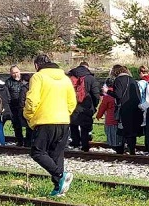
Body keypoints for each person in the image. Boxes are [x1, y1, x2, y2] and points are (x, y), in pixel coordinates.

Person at [23, 54, 77, 197]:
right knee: (57, 155)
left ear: (36, 65)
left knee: (37, 152)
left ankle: (61, 175)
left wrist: (29, 116)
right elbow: (72, 101)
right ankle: (58, 187)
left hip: (44, 120)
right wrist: (65, 114)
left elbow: (32, 100)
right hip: (63, 121)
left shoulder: (38, 77)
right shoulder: (65, 79)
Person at [110, 65, 143, 155]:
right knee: (132, 130)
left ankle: (122, 148)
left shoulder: (118, 80)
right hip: (136, 108)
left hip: (125, 108)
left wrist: (108, 92)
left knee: (123, 129)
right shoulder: (133, 80)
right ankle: (132, 149)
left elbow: (118, 95)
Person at [67, 61, 100, 152]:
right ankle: (85, 145)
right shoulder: (90, 78)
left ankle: (75, 143)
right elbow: (96, 94)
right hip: (86, 105)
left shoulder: (70, 77)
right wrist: (94, 105)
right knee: (85, 127)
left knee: (73, 124)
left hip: (72, 105)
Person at [96, 78, 124, 154]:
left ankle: (116, 148)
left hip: (111, 119)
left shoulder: (107, 96)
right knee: (119, 136)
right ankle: (121, 147)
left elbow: (102, 107)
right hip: (120, 119)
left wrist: (98, 115)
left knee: (112, 136)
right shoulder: (119, 92)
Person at [5, 65, 26, 146]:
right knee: (17, 125)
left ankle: (29, 141)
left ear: (19, 71)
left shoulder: (24, 80)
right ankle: (20, 141)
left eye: (17, 72)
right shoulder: (8, 82)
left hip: (25, 106)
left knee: (29, 125)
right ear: (10, 73)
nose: (15, 74)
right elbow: (7, 95)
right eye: (13, 73)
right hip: (14, 107)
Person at [18, 74, 33, 147]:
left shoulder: (23, 88)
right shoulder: (34, 87)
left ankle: (27, 143)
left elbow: (21, 100)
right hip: (34, 110)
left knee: (28, 128)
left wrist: (21, 110)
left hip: (26, 109)